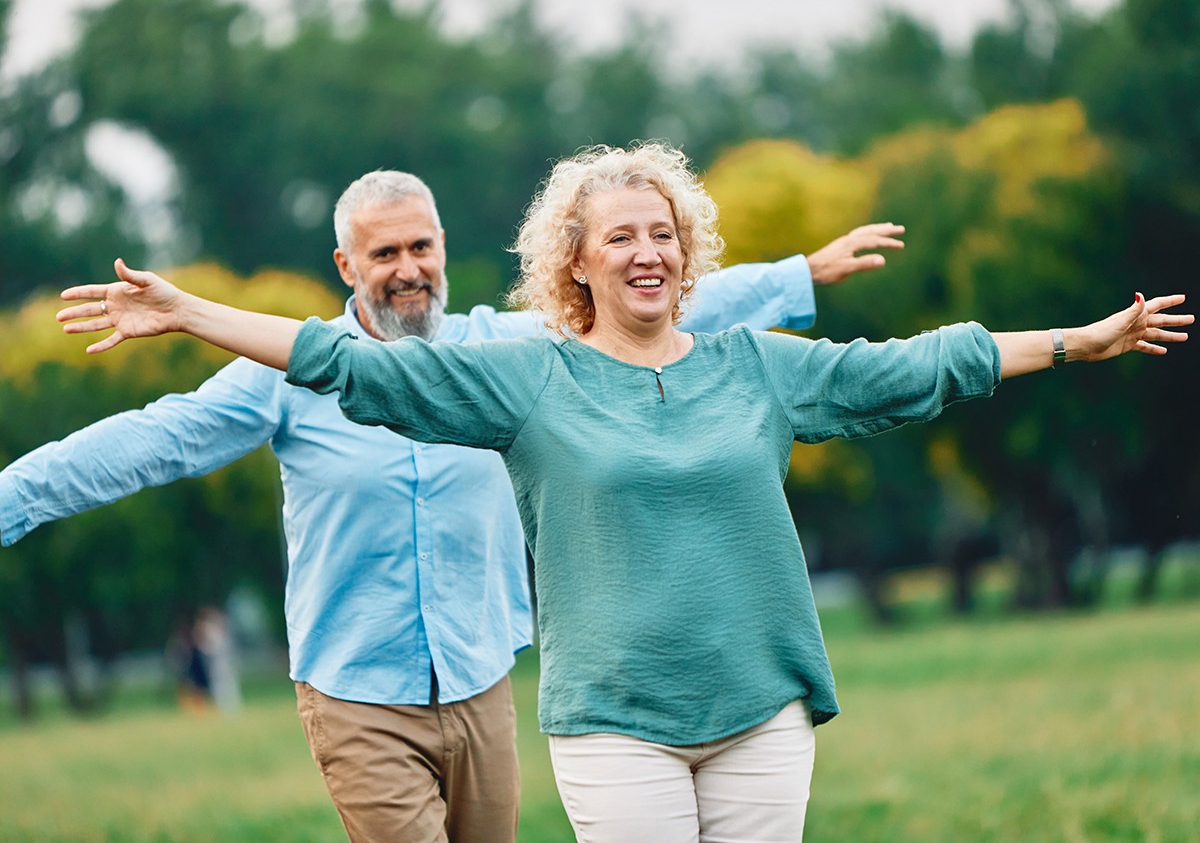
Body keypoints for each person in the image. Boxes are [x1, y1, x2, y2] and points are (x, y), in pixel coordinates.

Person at [56, 142, 1191, 842]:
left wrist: (1075, 342)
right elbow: (335, 364)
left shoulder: (752, 366)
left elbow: (912, 367)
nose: (646, 252)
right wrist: (194, 310)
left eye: (664, 235)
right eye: (621, 237)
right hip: (575, 716)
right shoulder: (518, 377)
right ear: (577, 262)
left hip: (737, 704)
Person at [1, 167, 899, 843]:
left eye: (420, 247)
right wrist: (11, 499)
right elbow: (147, 441)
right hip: (358, 690)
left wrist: (797, 277)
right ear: (346, 263)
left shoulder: (509, 353)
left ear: (443, 248)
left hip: (480, 677)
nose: (407, 270)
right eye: (383, 253)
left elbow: (639, 310)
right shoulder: (282, 371)